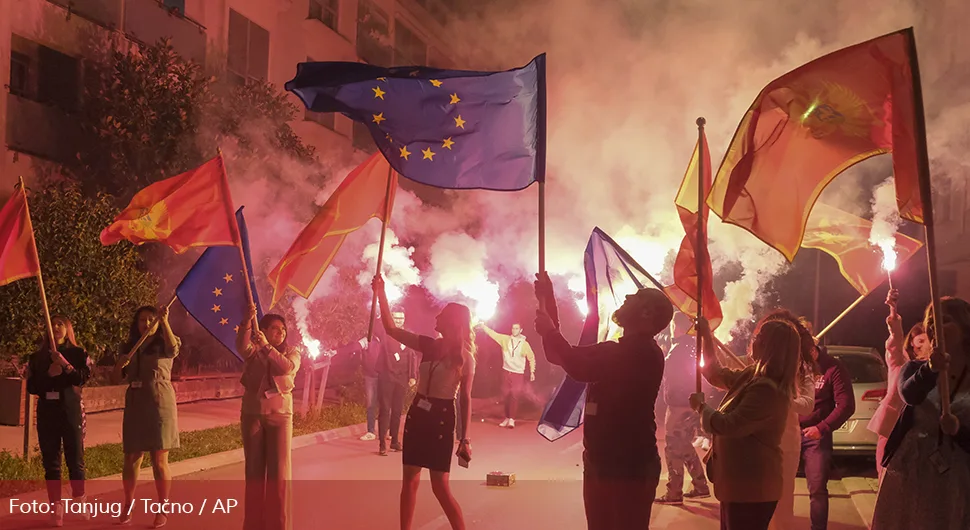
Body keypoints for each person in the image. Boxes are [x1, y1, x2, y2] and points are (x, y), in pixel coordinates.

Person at [533, 272, 671, 529]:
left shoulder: (643, 353)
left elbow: (577, 366)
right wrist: (548, 304)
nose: (628, 296)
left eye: (637, 297)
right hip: (600, 462)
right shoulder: (615, 349)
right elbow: (560, 356)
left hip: (629, 465)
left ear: (647, 313)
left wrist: (551, 331)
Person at [373, 275, 475, 530]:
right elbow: (391, 329)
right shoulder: (428, 345)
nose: (436, 318)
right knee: (409, 481)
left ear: (452, 322)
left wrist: (465, 438)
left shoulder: (465, 357)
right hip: (418, 413)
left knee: (440, 486)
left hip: (441, 417)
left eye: (442, 315)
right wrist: (381, 293)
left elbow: (465, 399)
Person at [691, 317, 801, 530]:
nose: (753, 340)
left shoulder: (767, 390)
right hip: (740, 484)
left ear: (771, 346)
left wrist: (702, 408)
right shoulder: (753, 375)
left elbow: (729, 425)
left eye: (760, 337)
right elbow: (716, 374)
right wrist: (706, 335)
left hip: (752, 487)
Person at [871, 296, 970, 530]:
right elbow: (910, 394)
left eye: (943, 320)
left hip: (957, 475)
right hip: (910, 469)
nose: (934, 327)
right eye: (930, 321)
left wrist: (959, 431)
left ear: (965, 328)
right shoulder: (915, 369)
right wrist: (931, 369)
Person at [113, 305, 180, 528]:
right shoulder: (129, 347)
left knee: (159, 460)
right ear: (137, 323)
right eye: (143, 320)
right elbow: (117, 377)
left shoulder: (165, 342)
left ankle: (163, 508)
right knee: (132, 457)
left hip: (160, 405)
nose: (147, 323)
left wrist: (166, 322)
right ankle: (128, 505)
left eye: (152, 319)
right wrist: (119, 366)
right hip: (135, 405)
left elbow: (173, 350)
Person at [235, 306, 301, 530]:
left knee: (280, 475)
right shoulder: (253, 350)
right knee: (253, 473)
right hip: (253, 415)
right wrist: (246, 321)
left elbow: (286, 368)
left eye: (283, 329)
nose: (280, 332)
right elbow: (242, 346)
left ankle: (279, 525)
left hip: (280, 417)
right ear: (261, 330)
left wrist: (267, 346)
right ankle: (253, 525)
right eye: (274, 328)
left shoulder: (292, 352)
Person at [26, 315, 91, 527]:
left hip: (71, 411)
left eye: (60, 324)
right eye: (52, 324)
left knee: (75, 458)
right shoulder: (37, 357)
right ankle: (56, 508)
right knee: (51, 463)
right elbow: (32, 387)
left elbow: (82, 378)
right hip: (47, 413)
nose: (55, 328)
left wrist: (64, 365)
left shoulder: (78, 353)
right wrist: (48, 374)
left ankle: (79, 499)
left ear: (67, 328)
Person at [762, 310, 819, 530]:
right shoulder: (759, 366)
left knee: (782, 501)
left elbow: (807, 404)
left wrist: (779, 396)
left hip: (785, 444)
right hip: (757, 443)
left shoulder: (801, 367)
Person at [798, 318, 856, 530]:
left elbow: (846, 405)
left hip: (815, 437)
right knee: (778, 487)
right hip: (788, 433)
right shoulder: (792, 365)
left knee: (817, 489)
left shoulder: (833, 367)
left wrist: (821, 428)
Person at [868, 289, 930, 479]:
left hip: (918, 429)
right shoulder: (900, 362)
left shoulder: (934, 368)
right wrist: (893, 312)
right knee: (887, 474)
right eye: (918, 340)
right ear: (911, 342)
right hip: (892, 425)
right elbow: (895, 340)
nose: (920, 345)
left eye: (925, 341)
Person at [655, 311, 711, 505]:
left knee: (672, 447)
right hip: (691, 403)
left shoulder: (678, 349)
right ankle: (700, 485)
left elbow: (666, 372)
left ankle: (674, 492)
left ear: (676, 326)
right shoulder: (692, 347)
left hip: (679, 404)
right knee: (685, 444)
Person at [377, 310, 420, 456]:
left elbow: (413, 356)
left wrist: (412, 375)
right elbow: (386, 356)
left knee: (397, 411)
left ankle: (395, 441)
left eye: (401, 318)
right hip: (387, 378)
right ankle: (382, 444)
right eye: (396, 318)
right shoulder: (386, 335)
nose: (399, 320)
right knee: (385, 410)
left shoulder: (407, 336)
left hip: (401, 379)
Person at [478, 322, 536, 428]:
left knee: (514, 395)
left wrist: (532, 371)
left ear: (521, 330)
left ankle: (512, 419)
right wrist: (483, 326)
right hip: (505, 371)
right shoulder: (505, 339)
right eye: (513, 328)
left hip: (518, 373)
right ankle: (506, 417)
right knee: (505, 395)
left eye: (516, 328)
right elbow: (493, 334)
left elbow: (531, 357)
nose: (514, 330)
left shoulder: (524, 344)